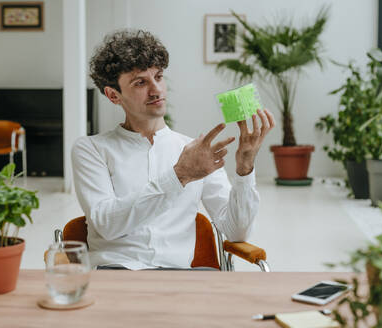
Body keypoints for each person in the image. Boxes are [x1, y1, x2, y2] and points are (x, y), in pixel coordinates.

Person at [72, 30, 275, 270]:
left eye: (158, 77)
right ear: (113, 95)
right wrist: (179, 175)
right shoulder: (91, 149)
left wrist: (244, 168)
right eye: (140, 82)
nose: (156, 89)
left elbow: (236, 232)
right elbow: (106, 223)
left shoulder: (198, 152)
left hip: (180, 277)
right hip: (116, 274)